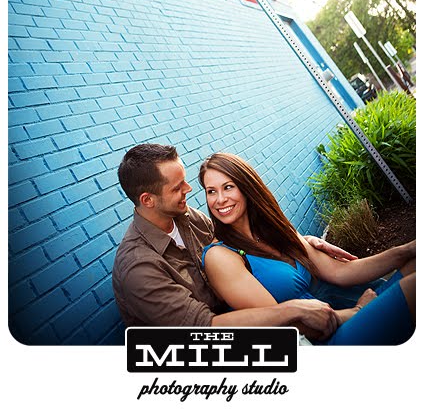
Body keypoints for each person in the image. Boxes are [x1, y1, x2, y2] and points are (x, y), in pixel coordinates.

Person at [112, 143, 357, 340]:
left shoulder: (186, 218)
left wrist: (300, 242)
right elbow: (204, 329)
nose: (188, 188)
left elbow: (235, 244)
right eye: (177, 187)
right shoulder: (138, 268)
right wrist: (292, 309)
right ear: (148, 200)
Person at [199, 152, 416, 345]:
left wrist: (405, 250)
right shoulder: (220, 256)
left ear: (247, 187)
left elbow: (340, 272)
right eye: (211, 191)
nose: (220, 200)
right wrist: (358, 311)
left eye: (228, 187)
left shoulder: (275, 230)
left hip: (347, 314)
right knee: (413, 286)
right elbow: (282, 323)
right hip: (321, 339)